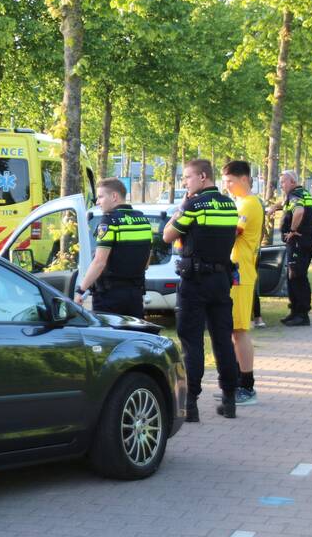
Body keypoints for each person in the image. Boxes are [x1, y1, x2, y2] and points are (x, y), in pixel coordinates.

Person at [163, 159, 241, 421]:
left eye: (187, 177)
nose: (185, 182)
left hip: (195, 281)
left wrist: (179, 209)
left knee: (191, 342)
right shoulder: (230, 205)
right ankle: (229, 399)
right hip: (221, 280)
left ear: (203, 176)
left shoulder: (193, 205)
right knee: (223, 340)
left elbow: (168, 235)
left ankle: (191, 404)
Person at [74, 178, 152, 317]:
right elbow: (146, 262)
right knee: (133, 336)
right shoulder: (143, 220)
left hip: (109, 297)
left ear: (114, 196)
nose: (97, 202)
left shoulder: (109, 221)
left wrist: (81, 290)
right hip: (135, 295)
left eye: (100, 197)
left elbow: (99, 262)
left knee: (109, 337)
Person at [222, 160, 264, 406]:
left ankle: (247, 386)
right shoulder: (240, 202)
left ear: (244, 179)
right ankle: (237, 381)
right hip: (234, 272)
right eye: (225, 182)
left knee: (239, 331)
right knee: (232, 331)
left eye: (230, 182)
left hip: (241, 273)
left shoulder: (249, 204)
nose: (227, 187)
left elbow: (232, 232)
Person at [267, 170, 312, 326]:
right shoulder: (301, 193)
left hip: (298, 242)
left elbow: (299, 211)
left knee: (297, 277)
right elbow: (286, 203)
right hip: (305, 242)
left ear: (292, 182)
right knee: (294, 276)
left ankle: (301, 314)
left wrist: (293, 230)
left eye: (283, 182)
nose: (281, 185)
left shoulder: (295, 195)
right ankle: (295, 311)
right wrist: (275, 207)